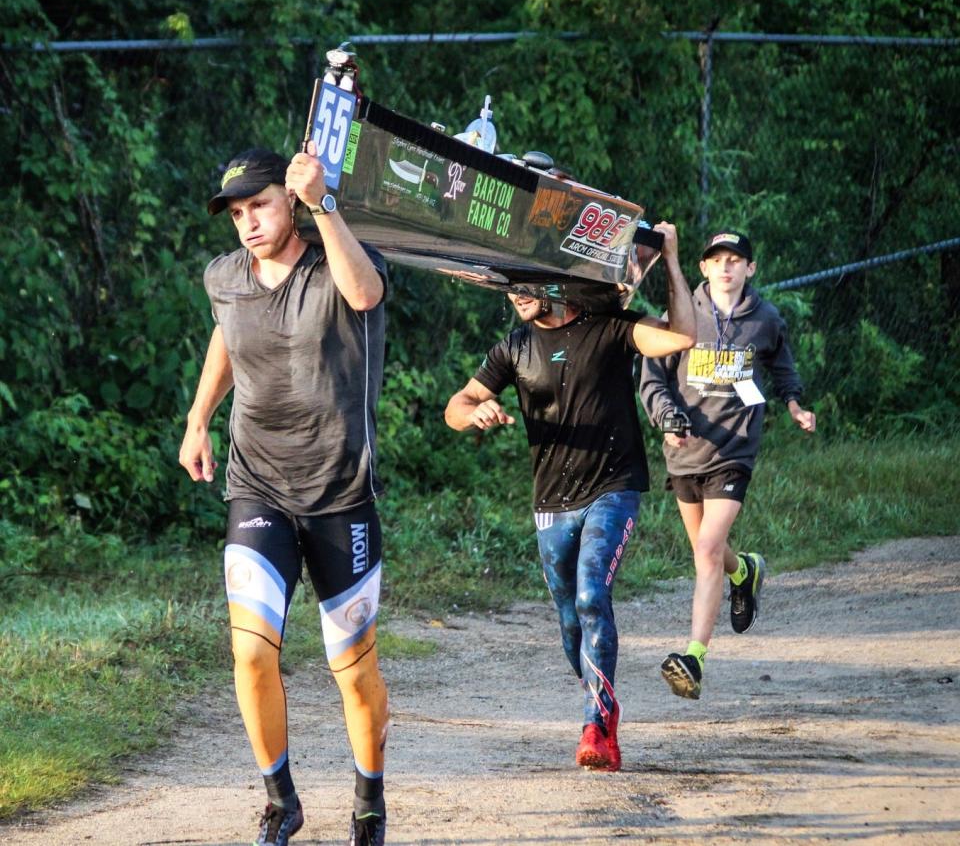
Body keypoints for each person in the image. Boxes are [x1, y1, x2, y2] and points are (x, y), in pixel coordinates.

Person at [179, 142, 389, 846]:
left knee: (353, 672)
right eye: (236, 212)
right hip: (258, 484)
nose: (247, 222)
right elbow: (228, 335)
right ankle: (281, 800)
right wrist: (198, 417)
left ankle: (368, 798)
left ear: (290, 200)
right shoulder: (224, 276)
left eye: (260, 204)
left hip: (340, 493)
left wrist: (325, 202)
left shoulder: (338, 261)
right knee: (250, 652)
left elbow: (366, 295)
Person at [444, 223, 696, 772]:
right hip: (551, 500)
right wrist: (474, 412)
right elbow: (456, 405)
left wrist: (671, 259)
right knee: (569, 624)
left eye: (526, 285)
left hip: (613, 487)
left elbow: (680, 338)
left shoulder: (611, 329)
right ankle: (599, 703)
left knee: (589, 596)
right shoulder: (514, 348)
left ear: (555, 283)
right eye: (510, 289)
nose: (517, 297)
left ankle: (598, 726)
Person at [639, 229, 816, 701]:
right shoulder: (680, 314)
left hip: (735, 448)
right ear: (702, 268)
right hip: (685, 449)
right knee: (707, 549)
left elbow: (782, 365)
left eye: (736, 259)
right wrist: (666, 418)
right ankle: (745, 572)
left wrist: (794, 403)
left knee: (707, 547)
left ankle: (693, 657)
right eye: (717, 259)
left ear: (750, 269)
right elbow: (652, 377)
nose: (726, 266)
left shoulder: (766, 319)